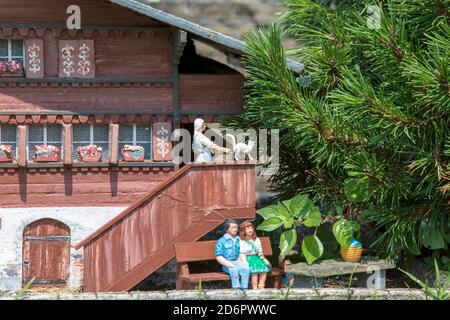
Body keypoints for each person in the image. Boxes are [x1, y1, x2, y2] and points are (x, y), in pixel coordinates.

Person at [215, 219, 250, 290]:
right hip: (227, 262)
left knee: (246, 269)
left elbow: (241, 252)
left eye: (236, 228)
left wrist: (244, 262)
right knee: (233, 270)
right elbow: (218, 256)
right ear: (227, 229)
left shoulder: (238, 239)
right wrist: (227, 263)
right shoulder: (221, 241)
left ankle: (244, 288)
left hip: (237, 261)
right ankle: (236, 288)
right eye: (233, 227)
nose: (235, 229)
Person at [239, 221, 271, 289]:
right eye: (247, 229)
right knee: (254, 271)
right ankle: (255, 288)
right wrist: (245, 262)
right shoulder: (241, 241)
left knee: (264, 268)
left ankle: (261, 286)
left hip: (256, 257)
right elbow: (241, 253)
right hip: (247, 258)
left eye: (251, 228)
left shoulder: (257, 239)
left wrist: (264, 259)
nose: (250, 230)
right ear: (243, 231)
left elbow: (260, 251)